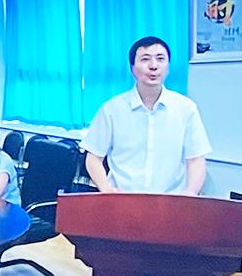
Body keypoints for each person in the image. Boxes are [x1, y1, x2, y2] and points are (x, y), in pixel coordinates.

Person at [82, 36, 211, 195]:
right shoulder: (112, 110)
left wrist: (189, 193)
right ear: (132, 68)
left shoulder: (186, 109)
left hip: (171, 201)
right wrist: (107, 189)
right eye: (145, 59)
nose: (153, 66)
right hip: (122, 200)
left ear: (168, 67)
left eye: (160, 59)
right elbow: (94, 158)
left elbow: (196, 159)